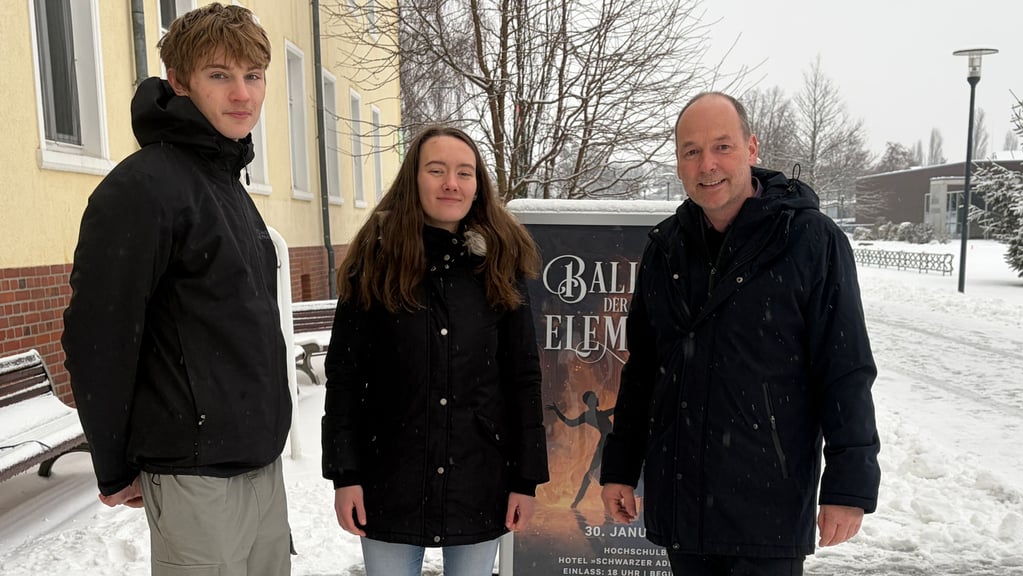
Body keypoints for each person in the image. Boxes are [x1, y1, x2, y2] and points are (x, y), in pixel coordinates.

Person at [599, 92, 881, 576]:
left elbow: (845, 368)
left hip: (768, 505)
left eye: (721, 147)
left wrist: (849, 486)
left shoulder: (811, 240)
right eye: (691, 151)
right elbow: (644, 371)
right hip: (682, 502)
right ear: (679, 163)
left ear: (751, 149)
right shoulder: (666, 248)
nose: (707, 164)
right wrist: (620, 469)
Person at [62, 4, 292, 575]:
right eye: (220, 75)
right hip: (195, 471)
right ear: (180, 82)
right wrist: (114, 464)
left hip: (259, 464)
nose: (242, 93)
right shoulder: (144, 188)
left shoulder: (225, 183)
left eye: (253, 75)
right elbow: (99, 336)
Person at [321, 125, 549, 576]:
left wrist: (526, 479)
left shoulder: (499, 264)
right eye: (437, 170)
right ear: (414, 179)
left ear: (478, 185)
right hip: (389, 476)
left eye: (465, 173)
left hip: (479, 475)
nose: (452, 183)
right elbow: (345, 376)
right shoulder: (374, 263)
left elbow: (523, 375)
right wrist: (345, 475)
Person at [546, 391, 614, 509]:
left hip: (608, 444)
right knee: (594, 474)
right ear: (590, 402)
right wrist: (556, 410)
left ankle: (577, 502)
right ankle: (577, 502)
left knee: (594, 474)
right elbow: (570, 423)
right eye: (594, 397)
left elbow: (570, 423)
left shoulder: (597, 414)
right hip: (607, 445)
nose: (597, 398)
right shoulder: (592, 415)